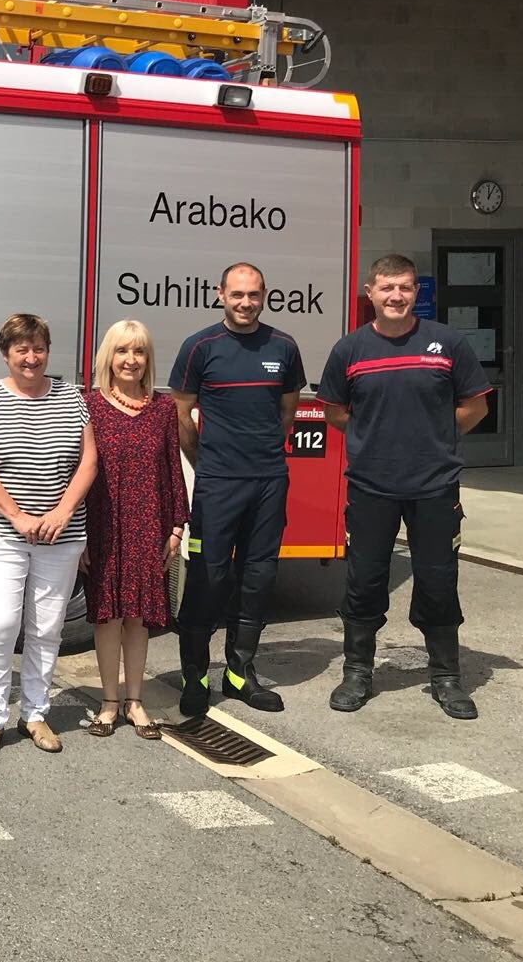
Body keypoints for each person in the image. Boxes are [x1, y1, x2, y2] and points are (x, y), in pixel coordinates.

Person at [319, 254, 491, 720]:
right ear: (370, 293)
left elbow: (476, 406)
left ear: (417, 293)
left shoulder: (447, 342)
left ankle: (446, 678)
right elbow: (335, 411)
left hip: (435, 485)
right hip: (372, 485)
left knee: (438, 581)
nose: (396, 296)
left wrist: (434, 437)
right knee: (365, 581)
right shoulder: (349, 350)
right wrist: (373, 440)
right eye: (387, 287)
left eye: (406, 288)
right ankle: (357, 671)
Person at [168, 262, 305, 717]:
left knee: (258, 577)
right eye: (237, 294)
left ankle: (240, 674)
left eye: (254, 295)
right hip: (217, 485)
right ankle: (195, 676)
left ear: (264, 296)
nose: (246, 303)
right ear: (220, 294)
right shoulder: (200, 347)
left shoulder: (283, 346)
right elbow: (182, 416)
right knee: (208, 578)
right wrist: (206, 465)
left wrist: (261, 456)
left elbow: (287, 412)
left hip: (268, 482)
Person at [0, 314, 97, 758]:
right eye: (21, 349)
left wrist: (62, 511)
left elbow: (88, 462)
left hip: (61, 534)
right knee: (0, 625)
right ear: (6, 354)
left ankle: (35, 713)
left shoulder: (71, 397)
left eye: (38, 348)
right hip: (4, 533)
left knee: (46, 628)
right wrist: (17, 516)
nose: (31, 357)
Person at [82, 320, 188, 740]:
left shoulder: (162, 409)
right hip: (102, 524)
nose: (130, 360)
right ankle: (109, 703)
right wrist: (78, 533)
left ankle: (136, 701)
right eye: (122, 351)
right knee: (108, 617)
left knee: (139, 618)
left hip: (149, 523)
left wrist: (177, 526)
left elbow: (172, 470)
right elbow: (76, 471)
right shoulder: (87, 405)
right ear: (108, 356)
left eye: (139, 352)